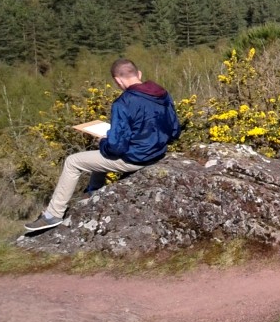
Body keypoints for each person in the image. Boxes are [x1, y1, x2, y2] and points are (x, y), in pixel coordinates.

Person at [25, 59, 181, 232]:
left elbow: (116, 148)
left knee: (73, 161)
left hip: (136, 158)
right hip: (158, 152)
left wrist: (104, 142)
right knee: (101, 153)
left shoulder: (123, 103)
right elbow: (175, 131)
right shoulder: (162, 94)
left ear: (117, 80)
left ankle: (53, 214)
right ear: (139, 74)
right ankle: (93, 191)